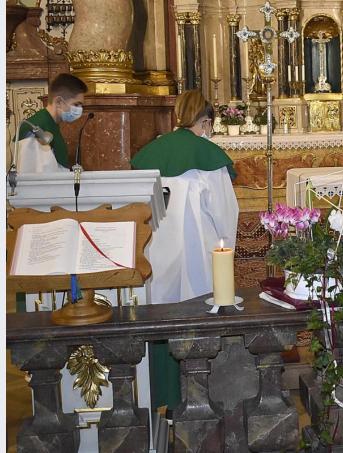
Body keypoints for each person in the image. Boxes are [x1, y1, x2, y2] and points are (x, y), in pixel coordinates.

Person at [131, 89, 239, 411]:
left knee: (160, 315)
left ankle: (160, 396)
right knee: (196, 314)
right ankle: (201, 397)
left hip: (154, 253)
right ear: (205, 121)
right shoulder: (208, 155)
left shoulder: (149, 153)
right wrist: (225, 251)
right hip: (199, 256)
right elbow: (224, 213)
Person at [15, 73, 88, 173]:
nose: (79, 110)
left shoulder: (51, 124)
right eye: (76, 104)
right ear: (58, 102)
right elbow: (35, 177)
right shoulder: (37, 128)